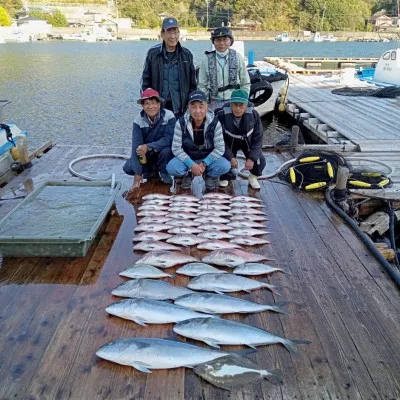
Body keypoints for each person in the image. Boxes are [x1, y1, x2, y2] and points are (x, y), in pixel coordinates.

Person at [166, 90, 231, 191]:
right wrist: (191, 164)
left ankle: (208, 175)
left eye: (201, 106)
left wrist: (204, 163)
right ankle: (189, 173)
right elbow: (176, 148)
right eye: (193, 107)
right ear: (188, 108)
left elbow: (220, 148)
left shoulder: (215, 123)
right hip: (188, 157)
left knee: (225, 166)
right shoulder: (180, 123)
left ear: (206, 107)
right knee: (171, 168)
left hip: (207, 158)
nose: (197, 111)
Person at [141, 17, 197, 118]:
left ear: (179, 34)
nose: (173, 36)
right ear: (162, 34)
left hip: (180, 107)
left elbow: (193, 84)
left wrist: (191, 104)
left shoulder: (186, 55)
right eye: (169, 32)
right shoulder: (153, 54)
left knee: (179, 133)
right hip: (159, 107)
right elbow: (145, 81)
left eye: (175, 32)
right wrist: (149, 102)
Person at [123, 88, 175, 195]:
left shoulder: (169, 116)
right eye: (146, 103)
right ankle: (150, 171)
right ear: (142, 106)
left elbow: (169, 139)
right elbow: (136, 147)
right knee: (128, 168)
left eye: (153, 103)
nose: (151, 106)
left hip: (162, 151)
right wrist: (137, 174)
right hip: (147, 154)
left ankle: (164, 172)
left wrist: (149, 146)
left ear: (159, 104)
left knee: (167, 151)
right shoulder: (138, 121)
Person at [215, 89, 266, 190]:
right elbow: (219, 140)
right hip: (229, 143)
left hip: (248, 142)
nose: (238, 108)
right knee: (223, 161)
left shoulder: (254, 115)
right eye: (235, 105)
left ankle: (253, 177)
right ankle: (225, 176)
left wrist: (251, 158)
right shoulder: (221, 115)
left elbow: (258, 139)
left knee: (260, 160)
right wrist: (230, 157)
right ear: (230, 104)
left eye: (241, 105)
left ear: (246, 105)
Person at [198, 27, 250, 111]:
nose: (221, 43)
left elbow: (245, 83)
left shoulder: (237, 58)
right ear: (213, 42)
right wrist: (205, 102)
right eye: (218, 40)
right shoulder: (206, 60)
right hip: (213, 102)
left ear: (230, 41)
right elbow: (202, 85)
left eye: (225, 39)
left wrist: (242, 100)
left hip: (234, 101)